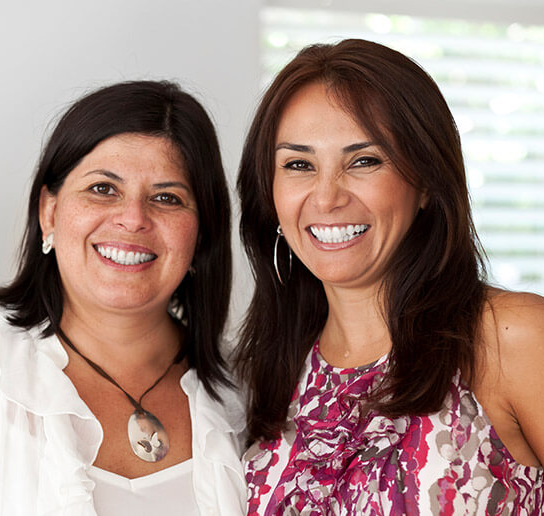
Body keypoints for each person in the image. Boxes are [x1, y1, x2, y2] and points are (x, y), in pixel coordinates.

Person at [236, 39, 544, 514]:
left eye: (364, 161)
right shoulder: (264, 373)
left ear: (425, 182)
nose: (326, 197)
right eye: (299, 164)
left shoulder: (513, 337)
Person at [0, 80, 246, 515]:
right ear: (49, 212)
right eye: (102, 189)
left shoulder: (251, 397)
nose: (132, 219)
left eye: (166, 198)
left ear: (201, 235)